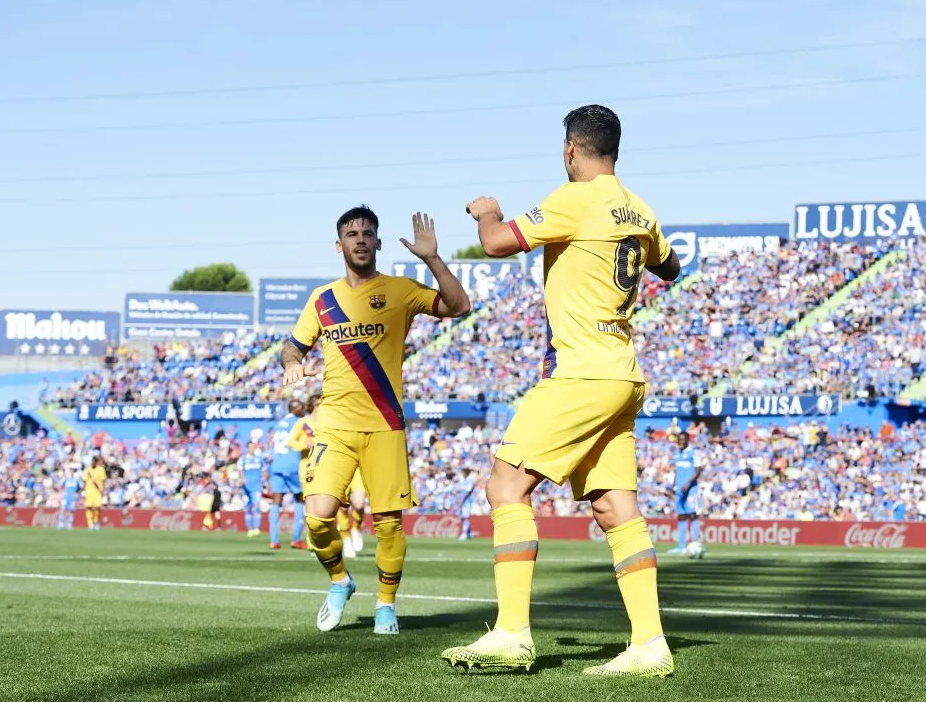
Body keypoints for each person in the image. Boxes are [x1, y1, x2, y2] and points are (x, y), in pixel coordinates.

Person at [441, 105, 681, 677]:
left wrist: (487, 209)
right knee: (615, 507)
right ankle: (650, 643)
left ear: (572, 150)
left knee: (505, 485)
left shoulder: (574, 198)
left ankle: (510, 633)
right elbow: (670, 268)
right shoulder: (640, 209)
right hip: (623, 373)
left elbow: (496, 242)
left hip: (582, 371)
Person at [281, 206, 470, 635]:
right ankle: (339, 580)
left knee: (388, 525)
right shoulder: (322, 299)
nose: (360, 239)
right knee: (317, 517)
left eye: (367, 233)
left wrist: (432, 258)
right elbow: (292, 346)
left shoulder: (400, 290)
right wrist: (292, 363)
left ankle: (386, 605)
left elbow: (459, 305)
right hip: (334, 424)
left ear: (379, 242)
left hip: (385, 424)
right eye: (352, 234)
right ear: (339, 245)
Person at [265, 399, 310, 550]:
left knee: (276, 502)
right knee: (300, 499)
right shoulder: (300, 422)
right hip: (292, 464)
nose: (304, 409)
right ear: (295, 408)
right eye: (301, 407)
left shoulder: (279, 423)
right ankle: (296, 539)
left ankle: (273, 540)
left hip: (276, 464)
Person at [669, 431, 703, 555]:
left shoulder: (694, 452)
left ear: (688, 440)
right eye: (679, 439)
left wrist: (688, 483)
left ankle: (695, 543)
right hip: (679, 489)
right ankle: (681, 546)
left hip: (690, 489)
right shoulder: (677, 453)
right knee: (681, 516)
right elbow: (677, 471)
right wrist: (673, 486)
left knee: (692, 514)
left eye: (683, 439)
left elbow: (698, 470)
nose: (681, 441)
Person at [241, 442, 264, 537]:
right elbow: (239, 470)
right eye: (250, 447)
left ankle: (257, 528)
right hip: (246, 487)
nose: (252, 449)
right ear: (247, 448)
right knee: (248, 507)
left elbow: (264, 470)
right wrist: (241, 479)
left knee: (257, 506)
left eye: (253, 447)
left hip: (257, 487)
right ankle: (250, 529)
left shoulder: (259, 459)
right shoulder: (243, 459)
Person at [82, 455, 106, 531]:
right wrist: (83, 491)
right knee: (88, 507)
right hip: (89, 491)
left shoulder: (101, 470)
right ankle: (90, 524)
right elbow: (84, 481)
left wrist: (103, 490)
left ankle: (96, 521)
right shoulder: (87, 469)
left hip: (98, 491)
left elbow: (103, 481)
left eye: (94, 461)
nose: (93, 462)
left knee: (97, 507)